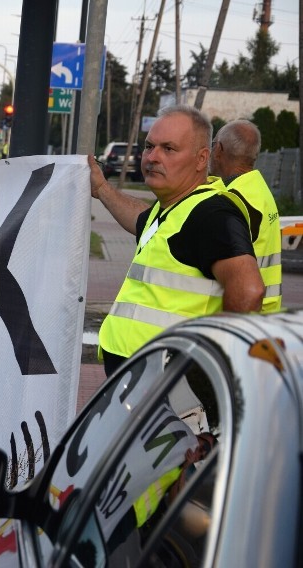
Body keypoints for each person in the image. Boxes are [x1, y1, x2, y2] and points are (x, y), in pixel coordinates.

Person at [88, 105, 265, 377]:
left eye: (168, 149)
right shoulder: (173, 208)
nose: (153, 157)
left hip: (167, 382)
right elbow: (141, 219)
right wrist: (102, 189)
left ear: (201, 159)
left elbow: (249, 291)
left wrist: (204, 363)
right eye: (149, 146)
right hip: (143, 376)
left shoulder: (212, 214)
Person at [209, 119, 282, 313]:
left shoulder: (233, 200)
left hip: (246, 312)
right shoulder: (257, 189)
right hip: (265, 310)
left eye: (213, 144)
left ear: (219, 150)